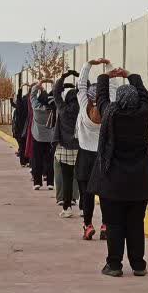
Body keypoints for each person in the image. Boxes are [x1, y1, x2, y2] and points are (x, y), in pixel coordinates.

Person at [89, 67, 148, 277]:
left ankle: (114, 265)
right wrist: (130, 75)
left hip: (112, 181)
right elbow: (145, 97)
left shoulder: (110, 114)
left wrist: (105, 76)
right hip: (139, 181)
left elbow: (101, 98)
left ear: (118, 100)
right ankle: (138, 265)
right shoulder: (143, 114)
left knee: (114, 224)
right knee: (136, 223)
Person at [76, 59, 108, 240]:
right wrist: (109, 68)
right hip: (102, 156)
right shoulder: (107, 111)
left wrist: (88, 64)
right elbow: (112, 89)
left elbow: (81, 85)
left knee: (86, 194)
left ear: (88, 97)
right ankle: (105, 225)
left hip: (84, 157)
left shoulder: (83, 108)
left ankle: (88, 225)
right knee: (104, 193)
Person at [52, 71, 81, 218]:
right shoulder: (83, 110)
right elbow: (85, 89)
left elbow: (56, 93)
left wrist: (63, 77)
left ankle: (67, 207)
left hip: (64, 150)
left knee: (67, 179)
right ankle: (84, 208)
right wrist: (80, 77)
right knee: (82, 180)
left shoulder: (62, 109)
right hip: (80, 150)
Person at [29, 79, 57, 189]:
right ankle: (50, 183)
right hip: (50, 138)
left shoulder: (36, 107)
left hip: (38, 137)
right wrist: (53, 84)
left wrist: (38, 85)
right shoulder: (53, 109)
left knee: (37, 160)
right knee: (50, 161)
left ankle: (37, 182)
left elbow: (32, 96)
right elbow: (57, 95)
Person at [12, 86, 30, 166]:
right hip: (25, 129)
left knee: (22, 146)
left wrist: (20, 88)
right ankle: (26, 160)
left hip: (20, 130)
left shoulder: (19, 108)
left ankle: (23, 161)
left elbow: (18, 99)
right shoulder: (27, 108)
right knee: (25, 145)